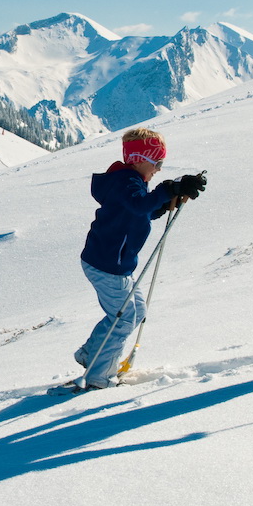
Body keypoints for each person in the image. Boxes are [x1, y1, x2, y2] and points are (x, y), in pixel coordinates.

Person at [68, 127, 204, 391]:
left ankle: (91, 354)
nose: (160, 169)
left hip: (113, 263)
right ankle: (98, 376)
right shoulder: (126, 182)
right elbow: (140, 205)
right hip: (107, 265)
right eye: (158, 162)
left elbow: (140, 212)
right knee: (124, 318)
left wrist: (164, 203)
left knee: (134, 312)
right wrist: (170, 189)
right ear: (141, 159)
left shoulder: (132, 182)